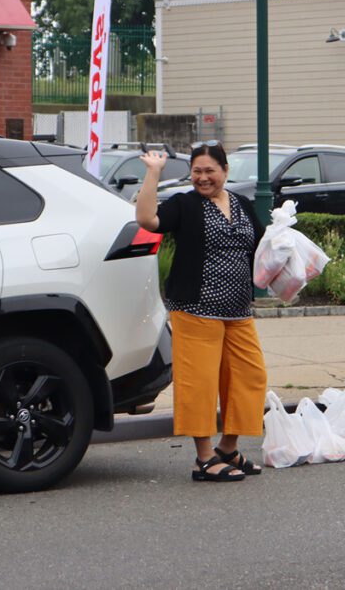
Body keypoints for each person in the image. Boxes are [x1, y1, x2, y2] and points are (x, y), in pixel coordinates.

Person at [135, 141, 268, 482]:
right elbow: (148, 219)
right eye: (197, 171)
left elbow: (263, 243)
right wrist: (153, 173)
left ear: (225, 171)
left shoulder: (242, 204)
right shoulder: (185, 204)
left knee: (249, 378)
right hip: (196, 309)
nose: (203, 178)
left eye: (210, 171)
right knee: (200, 384)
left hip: (238, 310)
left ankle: (227, 448)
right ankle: (204, 458)